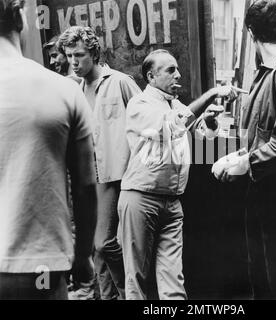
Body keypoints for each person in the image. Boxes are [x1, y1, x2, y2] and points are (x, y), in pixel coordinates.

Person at [212, 0, 276, 299]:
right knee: (262, 278)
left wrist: (247, 163)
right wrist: (242, 157)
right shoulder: (269, 72)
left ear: (251, 33)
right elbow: (266, 132)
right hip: (265, 188)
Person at [118, 49, 241, 300]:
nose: (178, 74)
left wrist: (210, 121)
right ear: (151, 76)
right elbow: (174, 125)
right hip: (142, 199)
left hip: (172, 202)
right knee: (137, 279)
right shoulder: (139, 104)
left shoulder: (174, 103)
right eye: (170, 70)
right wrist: (211, 94)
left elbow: (200, 135)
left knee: (173, 279)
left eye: (177, 69)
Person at [0, 0, 97, 299]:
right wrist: (83, 258)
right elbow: (84, 187)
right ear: (19, 16)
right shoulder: (64, 90)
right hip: (39, 269)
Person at [58, 26, 141, 300]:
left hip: (118, 175)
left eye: (79, 55)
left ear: (93, 53)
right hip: (90, 176)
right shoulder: (76, 88)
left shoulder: (120, 82)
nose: (73, 62)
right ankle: (109, 297)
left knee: (105, 244)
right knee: (95, 248)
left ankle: (134, 294)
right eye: (69, 56)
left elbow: (145, 122)